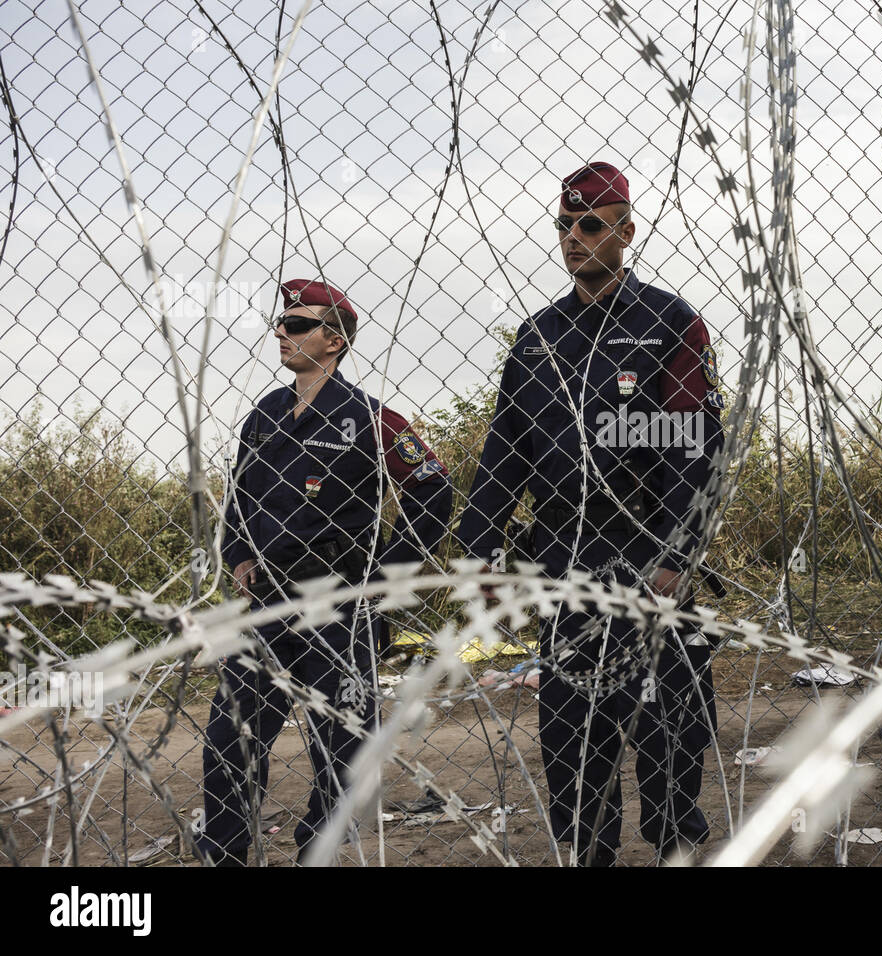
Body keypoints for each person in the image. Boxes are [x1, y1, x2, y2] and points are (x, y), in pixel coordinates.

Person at [457, 162, 724, 865]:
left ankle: (676, 843)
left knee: (672, 727)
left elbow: (695, 451)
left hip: (645, 558)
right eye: (565, 225)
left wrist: (676, 554)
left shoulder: (671, 323)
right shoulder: (538, 337)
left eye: (590, 225)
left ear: (625, 232)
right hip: (564, 564)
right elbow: (503, 454)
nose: (574, 238)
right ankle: (588, 851)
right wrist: (478, 547)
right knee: (574, 734)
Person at [197, 278, 453, 866]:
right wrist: (238, 553)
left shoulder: (371, 418)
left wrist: (387, 577)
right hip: (268, 603)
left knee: (341, 742)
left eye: (297, 325)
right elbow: (239, 496)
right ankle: (226, 849)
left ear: (333, 340)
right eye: (281, 323)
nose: (281, 334)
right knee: (230, 734)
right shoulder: (265, 414)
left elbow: (432, 493)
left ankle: (322, 844)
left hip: (338, 602)